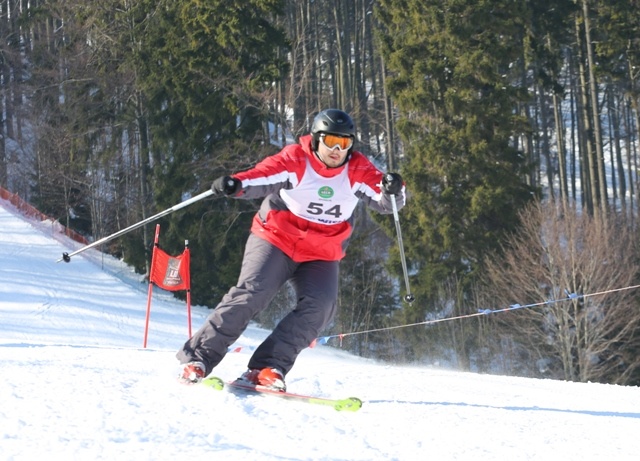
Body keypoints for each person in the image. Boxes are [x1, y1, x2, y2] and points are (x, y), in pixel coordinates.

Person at [177, 108, 406, 391]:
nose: (337, 150)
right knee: (253, 292)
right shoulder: (296, 159)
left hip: (321, 251)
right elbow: (262, 176)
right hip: (276, 238)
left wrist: (393, 189)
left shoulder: (357, 170)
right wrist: (236, 184)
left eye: (344, 143)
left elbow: (386, 201)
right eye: (330, 141)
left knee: (321, 306)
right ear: (315, 140)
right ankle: (198, 358)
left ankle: (266, 367)